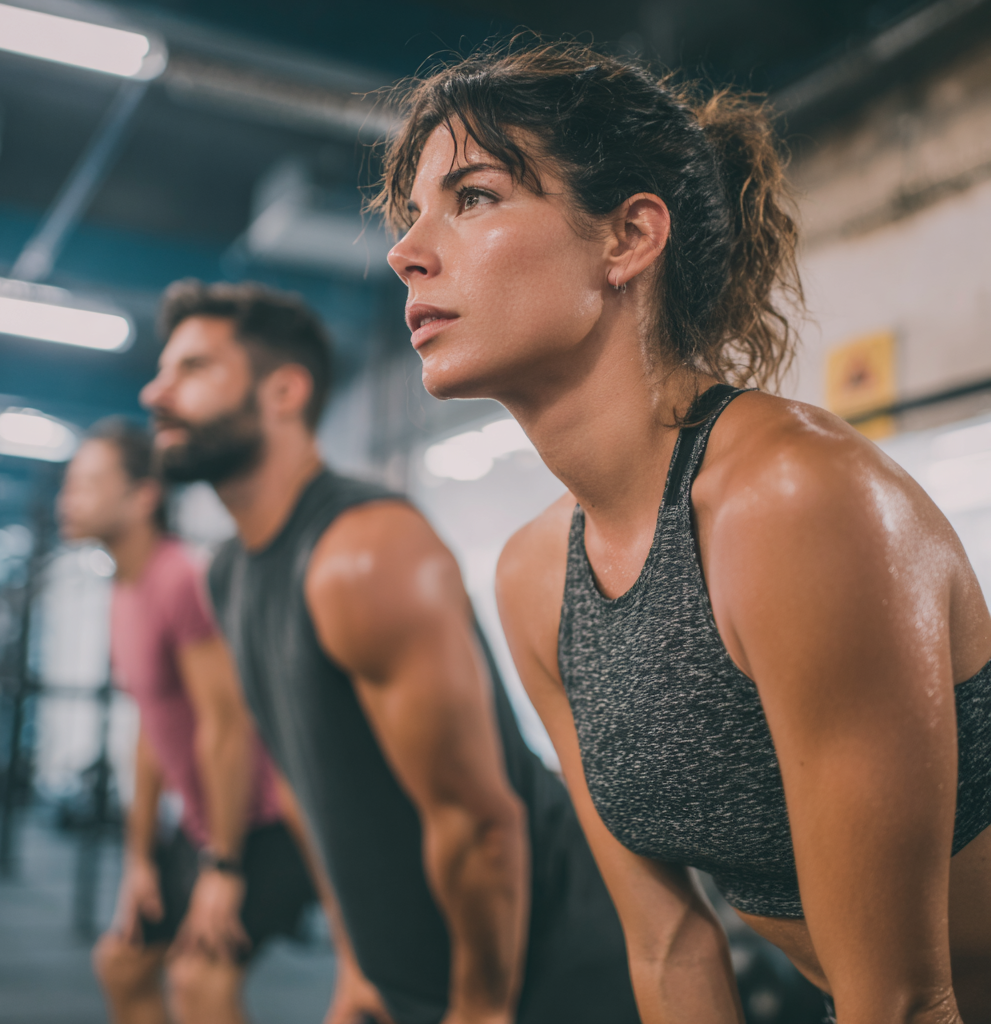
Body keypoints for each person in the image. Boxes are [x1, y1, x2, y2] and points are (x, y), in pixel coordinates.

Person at [377, 39, 991, 1024]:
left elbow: (908, 1000)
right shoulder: (537, 577)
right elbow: (669, 949)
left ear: (626, 238)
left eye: (474, 196)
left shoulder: (789, 500)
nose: (406, 248)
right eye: (412, 213)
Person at [138, 279, 641, 1024]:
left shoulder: (365, 554)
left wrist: (480, 1009)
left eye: (194, 369)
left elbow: (476, 818)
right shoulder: (232, 574)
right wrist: (355, 960)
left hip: (547, 971)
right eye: (164, 368)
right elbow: (307, 787)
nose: (155, 392)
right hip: (410, 971)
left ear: (284, 391)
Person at [57, 418, 316, 1024]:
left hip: (264, 830)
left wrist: (222, 868)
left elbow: (228, 727)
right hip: (199, 828)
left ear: (144, 495)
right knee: (123, 963)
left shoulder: (180, 578)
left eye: (90, 482)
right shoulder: (125, 589)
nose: (69, 498)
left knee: (200, 983)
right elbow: (151, 731)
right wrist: (140, 858)